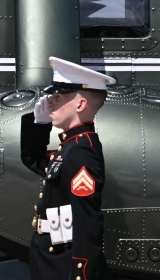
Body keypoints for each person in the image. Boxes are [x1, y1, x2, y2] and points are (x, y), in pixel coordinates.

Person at [20, 57, 115, 280]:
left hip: (63, 265)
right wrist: (39, 125)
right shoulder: (70, 146)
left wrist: (80, 275)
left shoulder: (81, 151)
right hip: (51, 257)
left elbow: (86, 221)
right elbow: (33, 159)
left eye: (58, 97)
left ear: (80, 105)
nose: (50, 102)